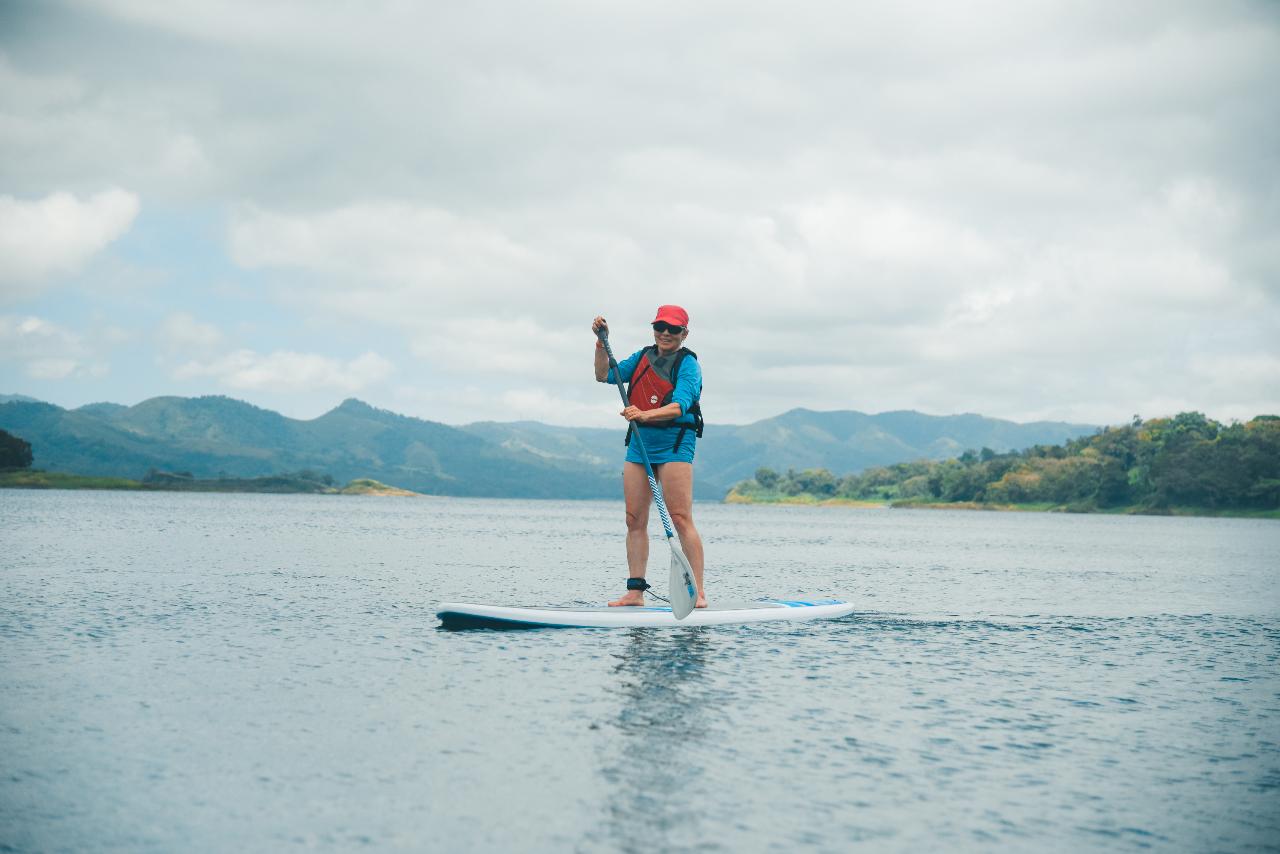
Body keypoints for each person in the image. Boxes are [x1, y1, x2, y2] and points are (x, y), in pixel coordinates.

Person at [592, 305, 706, 608]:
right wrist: (600, 344)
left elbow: (679, 406)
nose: (665, 334)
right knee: (634, 519)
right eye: (660, 327)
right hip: (640, 444)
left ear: (684, 333)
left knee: (680, 518)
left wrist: (642, 414)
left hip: (674, 444)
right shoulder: (642, 356)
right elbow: (604, 375)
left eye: (673, 329)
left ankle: (699, 592)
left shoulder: (688, 365)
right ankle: (635, 592)